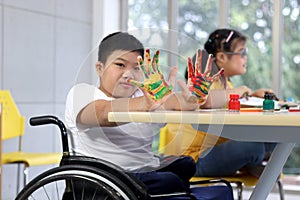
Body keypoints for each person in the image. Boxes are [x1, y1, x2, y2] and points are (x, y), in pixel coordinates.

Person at [65, 31, 219, 195]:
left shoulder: (142, 94)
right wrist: (145, 104)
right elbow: (102, 113)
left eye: (136, 68)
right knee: (171, 181)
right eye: (120, 65)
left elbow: (174, 102)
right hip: (110, 177)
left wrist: (194, 97)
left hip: (143, 169)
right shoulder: (83, 93)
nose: (128, 74)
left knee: (186, 164)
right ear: (100, 68)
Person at [163, 28, 276, 178]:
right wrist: (241, 90)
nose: (245, 58)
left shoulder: (227, 85)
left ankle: (254, 164)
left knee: (276, 139)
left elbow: (226, 103)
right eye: (242, 53)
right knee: (253, 147)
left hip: (212, 152)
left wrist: (253, 95)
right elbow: (205, 100)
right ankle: (253, 164)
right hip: (191, 160)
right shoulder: (204, 79)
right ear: (222, 56)